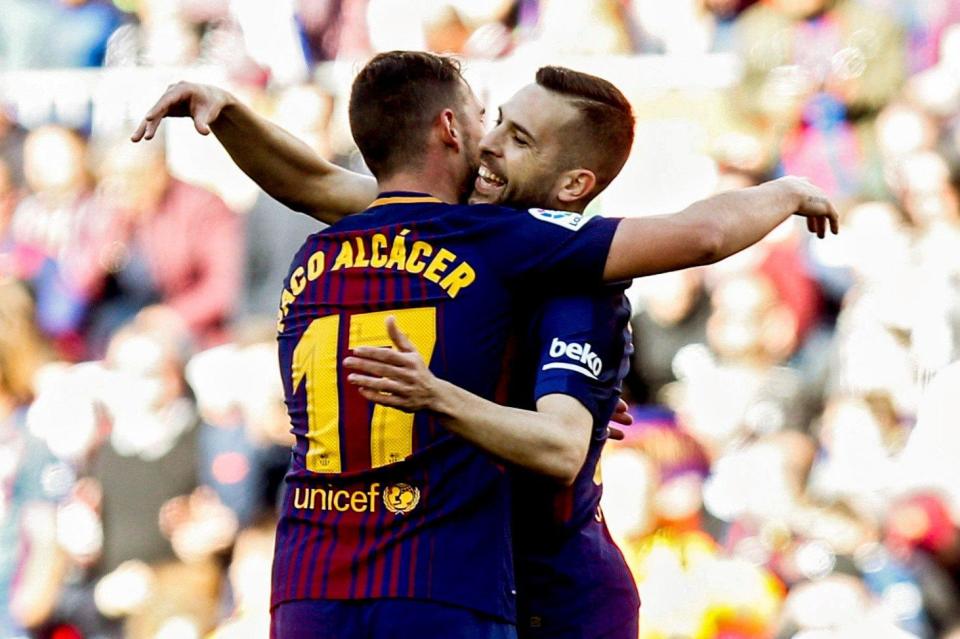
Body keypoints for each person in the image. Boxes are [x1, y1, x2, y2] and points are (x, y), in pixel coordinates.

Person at [134, 51, 837, 639]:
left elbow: (564, 442)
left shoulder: (571, 278)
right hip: (449, 572)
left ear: (570, 184)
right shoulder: (460, 230)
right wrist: (225, 113)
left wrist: (786, 190)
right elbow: (315, 181)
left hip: (551, 592)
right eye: (496, 121)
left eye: (520, 138)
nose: (493, 143)